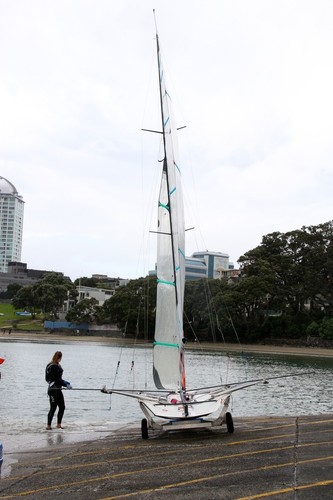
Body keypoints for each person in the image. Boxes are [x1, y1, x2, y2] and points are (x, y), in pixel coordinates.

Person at [45, 351, 72, 430]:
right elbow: (55, 379)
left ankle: (58, 425)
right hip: (53, 389)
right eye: (60, 358)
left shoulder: (57, 365)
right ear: (59, 357)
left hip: (58, 389)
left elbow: (58, 379)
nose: (61, 359)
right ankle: (48, 426)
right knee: (53, 407)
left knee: (62, 407)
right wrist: (65, 384)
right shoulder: (52, 366)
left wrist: (64, 382)